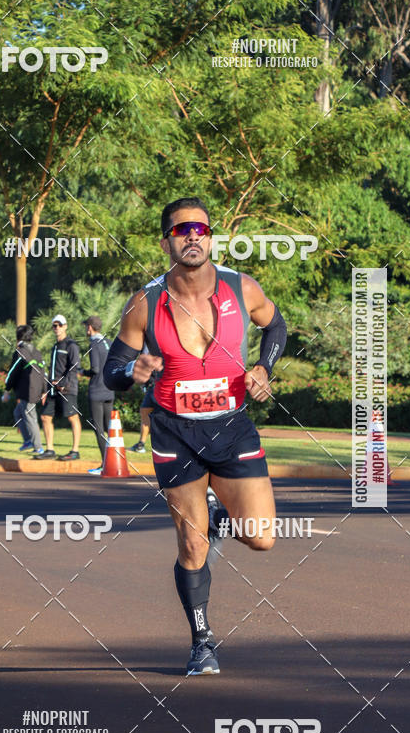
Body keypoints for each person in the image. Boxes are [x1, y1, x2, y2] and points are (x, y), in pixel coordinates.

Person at [103, 197, 287, 675]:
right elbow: (111, 372)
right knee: (192, 545)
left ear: (210, 237)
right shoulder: (144, 303)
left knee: (262, 538)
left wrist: (265, 366)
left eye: (200, 229)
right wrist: (132, 368)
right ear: (166, 241)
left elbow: (276, 325)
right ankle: (202, 642)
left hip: (231, 427)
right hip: (174, 433)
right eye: (181, 229)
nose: (192, 236)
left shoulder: (241, 288)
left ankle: (217, 518)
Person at [35, 314, 82, 460]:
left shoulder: (71, 345)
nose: (57, 328)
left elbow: (75, 367)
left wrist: (62, 384)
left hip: (67, 388)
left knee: (73, 417)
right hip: (52, 388)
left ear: (65, 326)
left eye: (59, 325)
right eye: (54, 326)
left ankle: (75, 451)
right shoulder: (55, 346)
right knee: (45, 416)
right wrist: (46, 389)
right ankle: (50, 450)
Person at [3, 325, 46, 455]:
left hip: (29, 391)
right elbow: (44, 372)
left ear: (18, 337)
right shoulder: (37, 351)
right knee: (18, 413)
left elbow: (12, 372)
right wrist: (44, 390)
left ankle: (38, 447)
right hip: (36, 389)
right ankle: (28, 441)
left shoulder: (20, 351)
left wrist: (6, 390)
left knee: (30, 417)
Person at [81, 315, 114, 476]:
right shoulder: (109, 342)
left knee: (99, 429)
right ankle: (115, 461)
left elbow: (94, 369)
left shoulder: (94, 344)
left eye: (86, 326)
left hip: (96, 391)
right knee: (111, 429)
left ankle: (104, 463)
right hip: (109, 389)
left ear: (90, 327)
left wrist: (82, 372)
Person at [128, 376, 154, 453]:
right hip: (153, 386)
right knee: (144, 411)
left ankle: (141, 444)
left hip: (158, 385)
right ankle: (141, 444)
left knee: (146, 412)